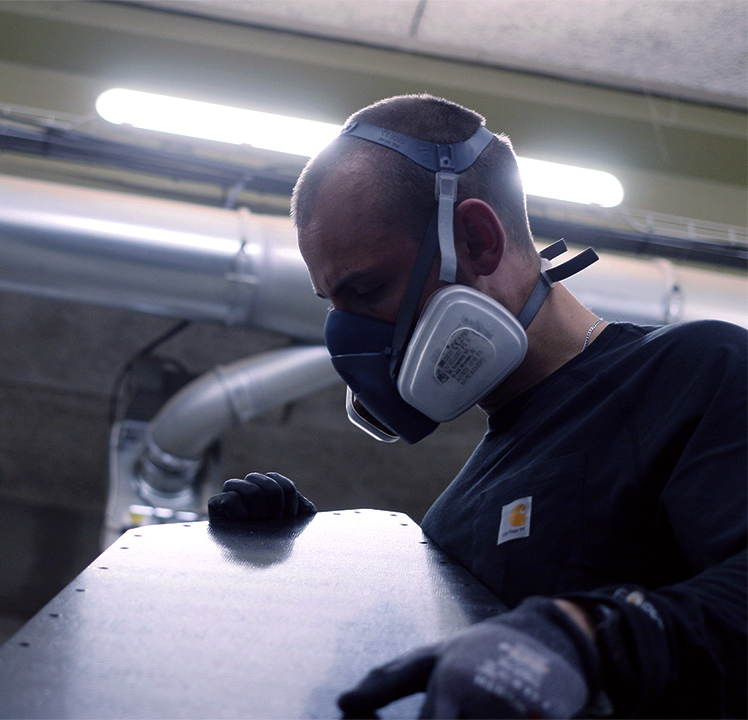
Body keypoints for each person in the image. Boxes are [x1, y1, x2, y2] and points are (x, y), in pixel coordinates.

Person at [207, 94, 746, 718]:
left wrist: (591, 638)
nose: (353, 339)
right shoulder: (453, 515)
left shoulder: (695, 374)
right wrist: (311, 567)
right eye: (336, 306)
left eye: (368, 289)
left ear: (478, 239)